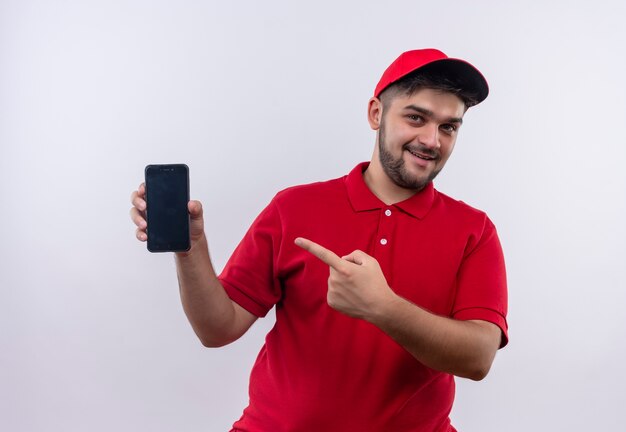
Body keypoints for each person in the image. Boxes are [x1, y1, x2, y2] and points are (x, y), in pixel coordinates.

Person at [130, 48, 508, 432]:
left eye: (449, 127)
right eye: (416, 117)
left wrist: (383, 307)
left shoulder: (474, 230)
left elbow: (478, 358)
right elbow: (217, 328)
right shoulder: (294, 207)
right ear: (376, 113)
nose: (432, 139)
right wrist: (190, 248)